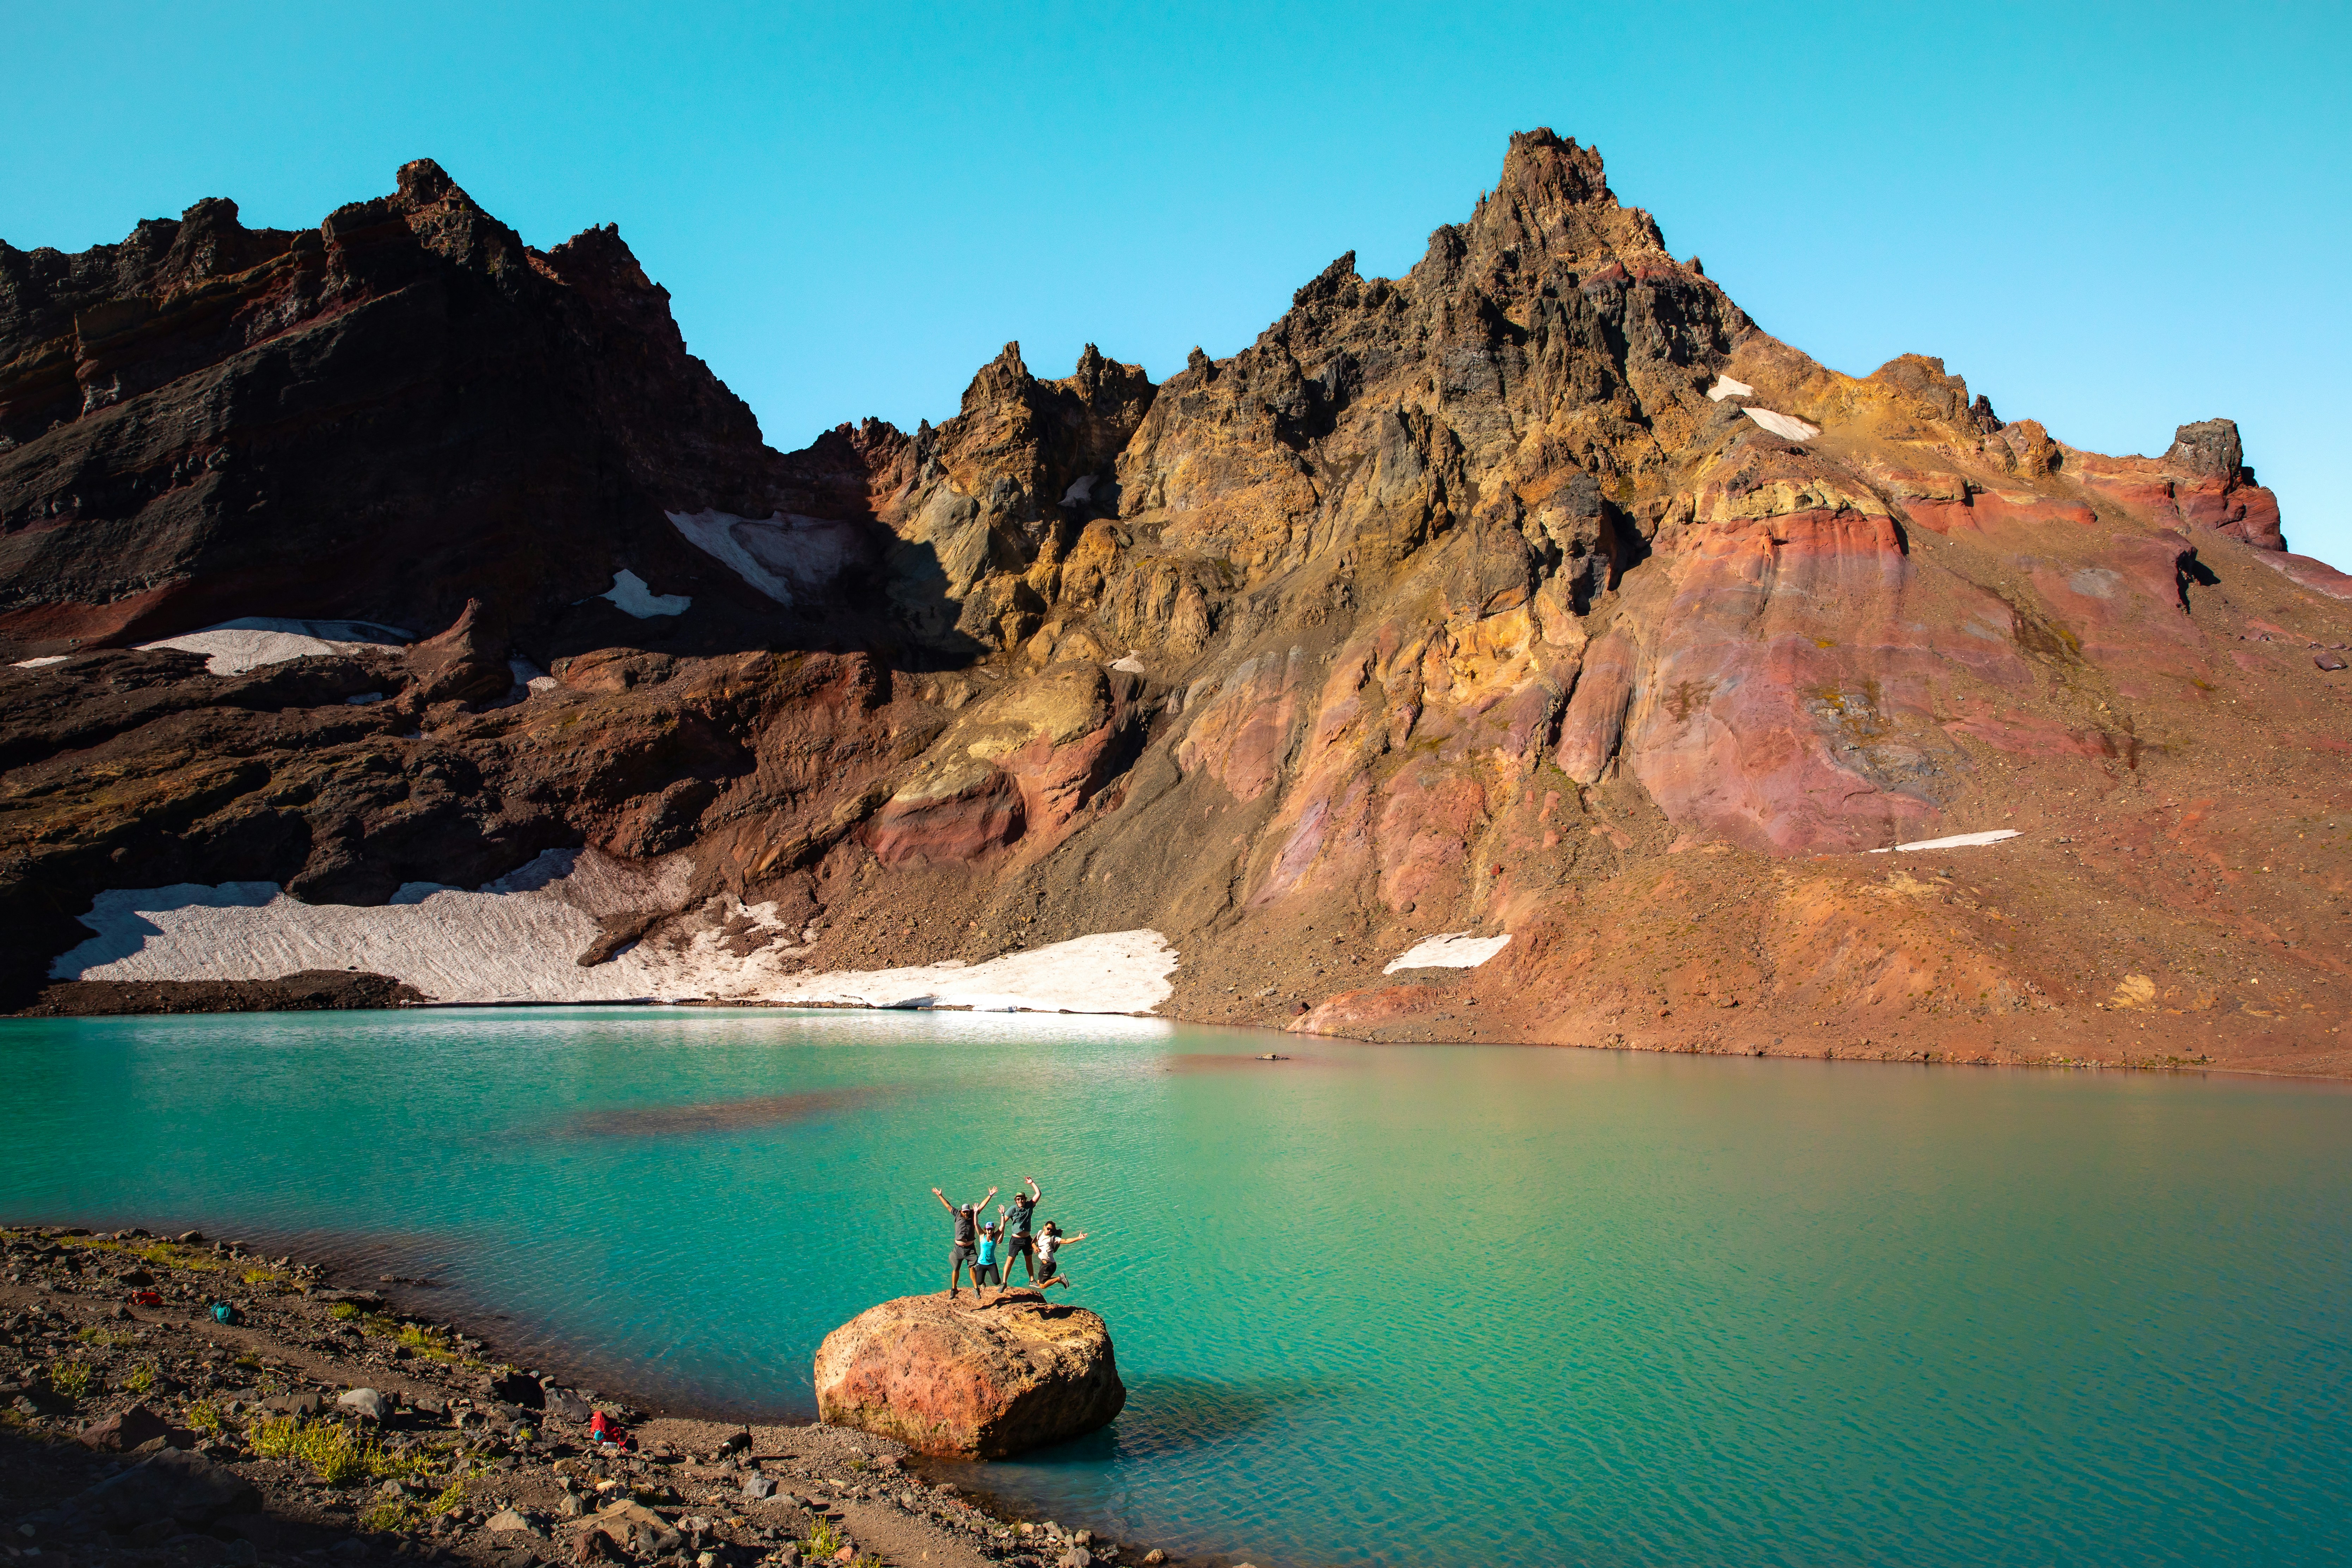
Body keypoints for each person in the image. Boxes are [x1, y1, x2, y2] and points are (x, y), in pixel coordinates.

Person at [931, 1183, 997, 1299]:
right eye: (965, 1212)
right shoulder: (957, 1214)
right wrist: (940, 1196)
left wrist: (990, 1195)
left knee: (972, 1268)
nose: (966, 1213)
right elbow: (948, 1206)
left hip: (970, 1249)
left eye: (967, 1211)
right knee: (956, 1269)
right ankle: (954, 1289)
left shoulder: (973, 1214)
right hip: (958, 1249)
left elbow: (981, 1206)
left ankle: (976, 1289)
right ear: (962, 1211)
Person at [1000, 1176, 1043, 1285]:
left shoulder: (1029, 1206)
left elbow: (1039, 1194)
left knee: (1029, 1260)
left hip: (1027, 1240)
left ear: (1025, 1199)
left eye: (1022, 1199)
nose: (1020, 1201)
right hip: (1016, 1240)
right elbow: (1003, 1222)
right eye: (1018, 1199)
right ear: (1016, 1200)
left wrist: (1032, 1183)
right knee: (1010, 1261)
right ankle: (1004, 1283)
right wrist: (1000, 1235)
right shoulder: (1013, 1209)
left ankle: (1032, 1281)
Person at [1033, 1220, 1088, 1291]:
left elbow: (1066, 1241)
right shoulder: (1040, 1233)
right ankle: (1060, 1279)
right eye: (1048, 1229)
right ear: (1044, 1227)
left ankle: (1060, 1278)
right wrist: (1035, 1247)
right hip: (1043, 1265)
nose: (1049, 1231)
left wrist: (1078, 1238)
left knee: (1042, 1286)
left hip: (1050, 1265)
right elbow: (1033, 1243)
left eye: (1051, 1230)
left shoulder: (1053, 1239)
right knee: (1039, 1282)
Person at [974, 1217, 1004, 1295]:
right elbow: (976, 1224)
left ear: (994, 1230)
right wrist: (976, 1213)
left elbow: (1002, 1226)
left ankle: (998, 1279)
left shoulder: (995, 1237)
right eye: (988, 1229)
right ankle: (983, 1282)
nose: (990, 1231)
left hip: (992, 1264)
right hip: (981, 1263)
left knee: (997, 1282)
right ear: (986, 1230)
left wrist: (1002, 1215)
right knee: (979, 1282)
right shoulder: (982, 1236)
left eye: (991, 1229)